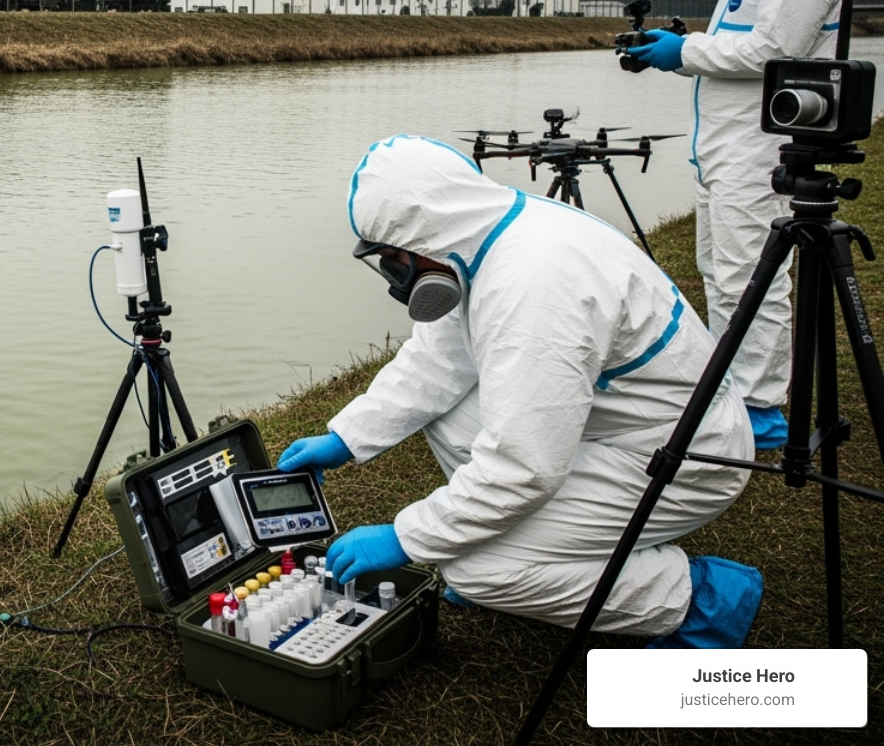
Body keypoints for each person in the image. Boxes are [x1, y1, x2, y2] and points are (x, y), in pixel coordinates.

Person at [279, 135, 761, 647]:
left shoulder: (534, 284)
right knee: (447, 412)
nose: (396, 277)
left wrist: (406, 536)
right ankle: (536, 547)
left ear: (417, 240)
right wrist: (347, 438)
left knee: (473, 567)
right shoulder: (484, 239)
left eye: (393, 259)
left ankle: (697, 596)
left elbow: (525, 466)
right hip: (633, 426)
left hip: (687, 460)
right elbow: (438, 359)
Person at [622, 0, 846, 449]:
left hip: (758, 148)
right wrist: (685, 42)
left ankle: (762, 405)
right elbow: (739, 42)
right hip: (723, 147)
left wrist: (684, 54)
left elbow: (773, 49)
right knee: (721, 273)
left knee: (754, 276)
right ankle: (732, 388)